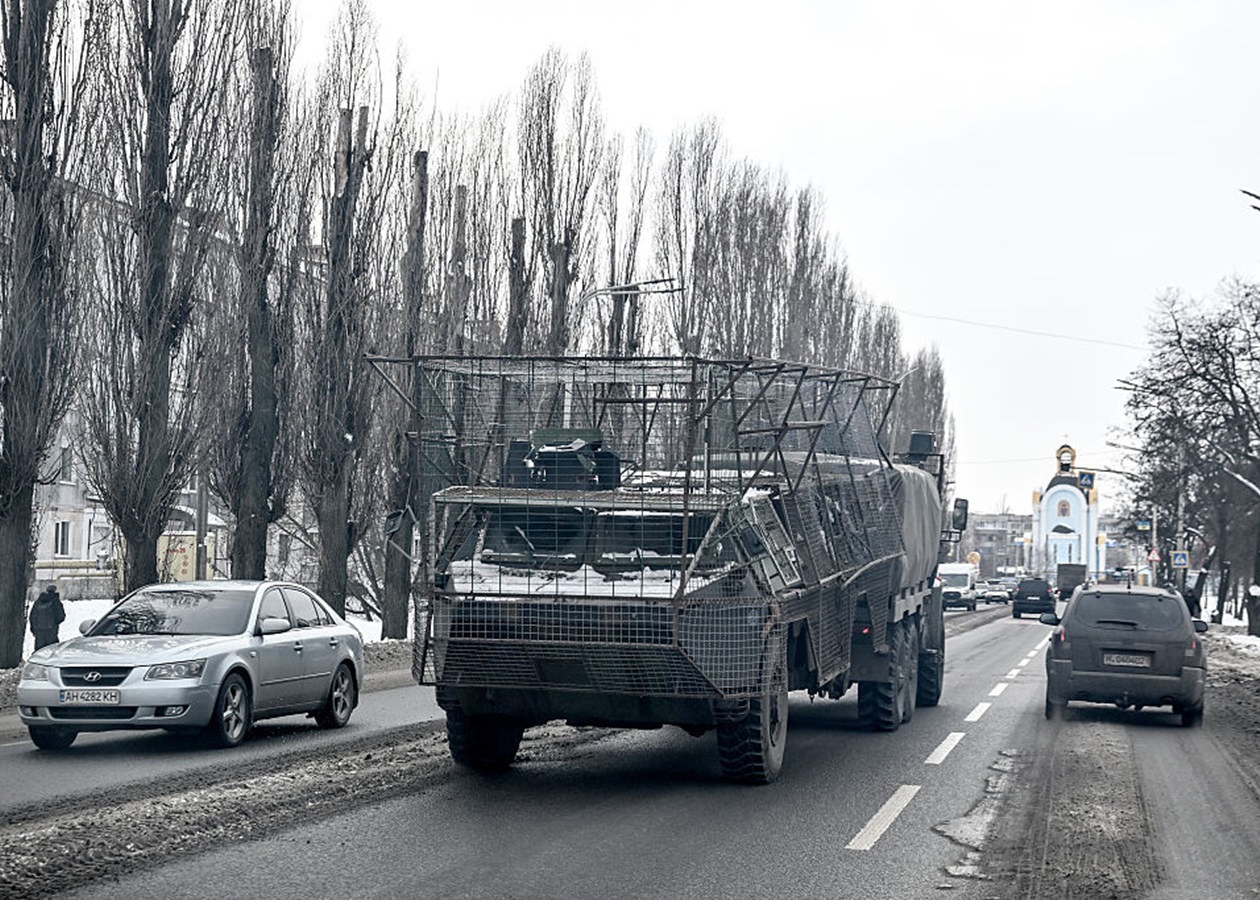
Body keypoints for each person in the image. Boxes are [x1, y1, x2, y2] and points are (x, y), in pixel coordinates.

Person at [29, 583, 66, 651]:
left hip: (39, 632)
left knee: (39, 652)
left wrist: (34, 629)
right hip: (51, 631)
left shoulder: (38, 602)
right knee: (52, 651)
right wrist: (54, 623)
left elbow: (32, 616)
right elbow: (61, 616)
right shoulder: (55, 601)